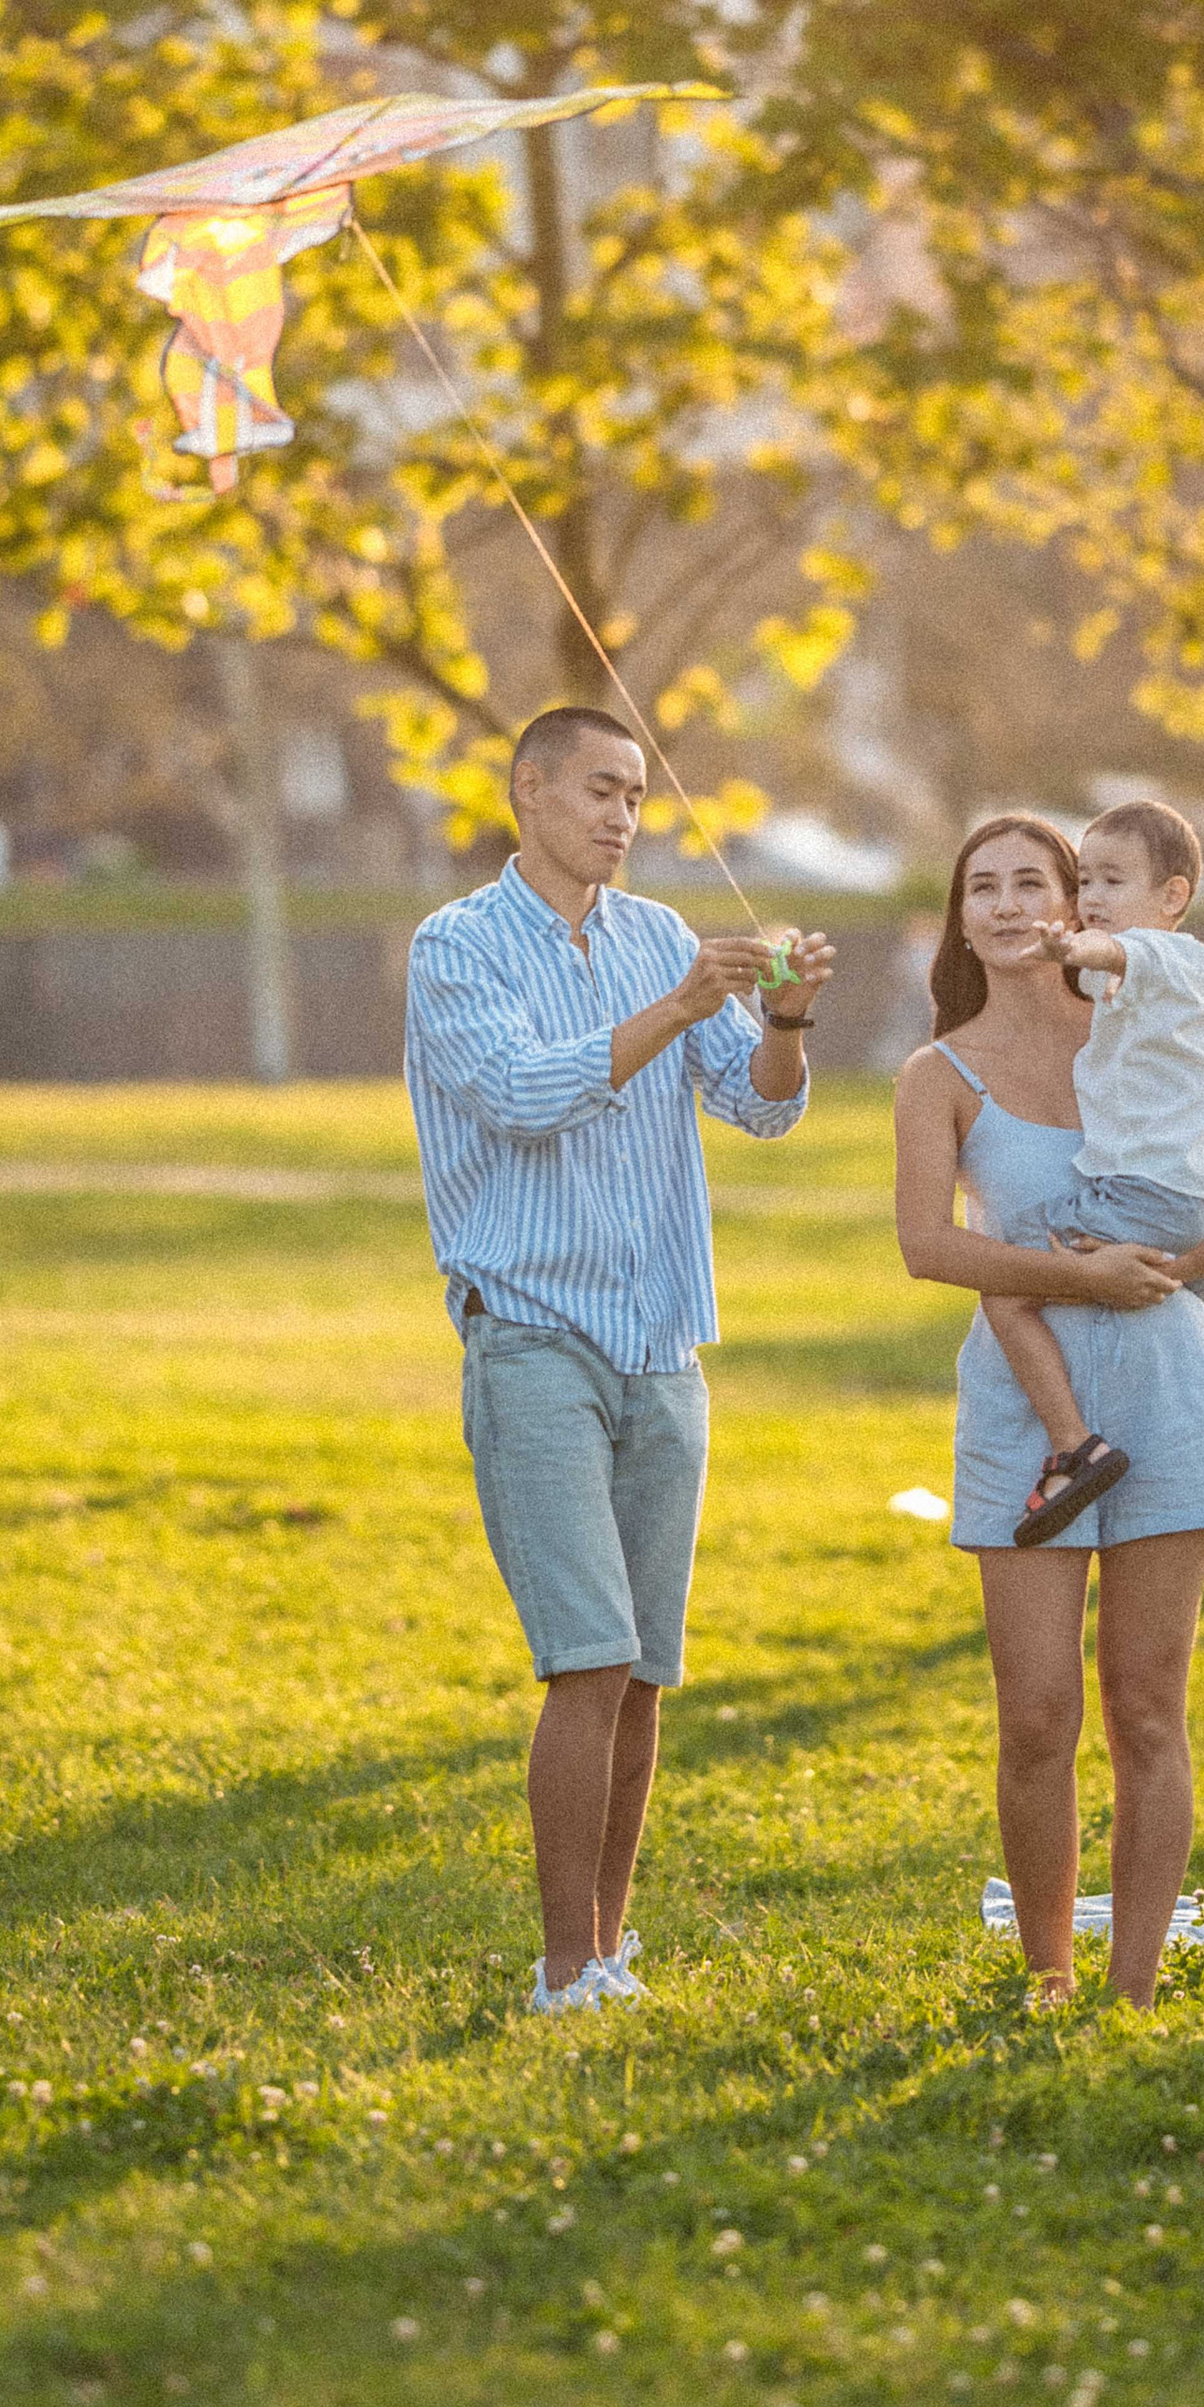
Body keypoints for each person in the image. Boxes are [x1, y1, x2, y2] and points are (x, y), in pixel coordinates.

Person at [403, 705, 836, 2018]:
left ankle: (609, 1951)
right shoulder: (455, 947)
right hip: (531, 1342)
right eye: (599, 789)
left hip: (662, 1347)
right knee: (586, 1658)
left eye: (637, 797)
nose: (623, 817)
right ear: (526, 791)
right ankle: (560, 1968)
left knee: (644, 1670)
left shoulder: (656, 936)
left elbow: (758, 1108)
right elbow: (528, 1095)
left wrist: (786, 1023)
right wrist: (687, 999)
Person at [892, 813, 1204, 2010]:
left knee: (1147, 1709)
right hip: (1027, 1418)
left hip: (1165, 1397)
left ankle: (1133, 1987)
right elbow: (926, 1246)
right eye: (985, 888)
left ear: (1076, 904)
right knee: (1037, 1718)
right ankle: (1048, 1972)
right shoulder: (938, 1073)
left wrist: (1155, 1277)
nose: (1011, 906)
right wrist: (1084, 1278)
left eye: (1035, 883)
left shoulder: (1144, 1036)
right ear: (960, 918)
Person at [975, 796, 1204, 1557]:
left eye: (1111, 881)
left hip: (1149, 1194)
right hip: (1197, 1196)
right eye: (1084, 882)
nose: (1090, 900)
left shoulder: (1170, 955)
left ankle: (1076, 1449)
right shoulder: (1149, 992)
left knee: (1009, 1279)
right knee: (1199, 1329)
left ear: (1173, 896)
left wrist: (1064, 948)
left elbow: (1110, 956)